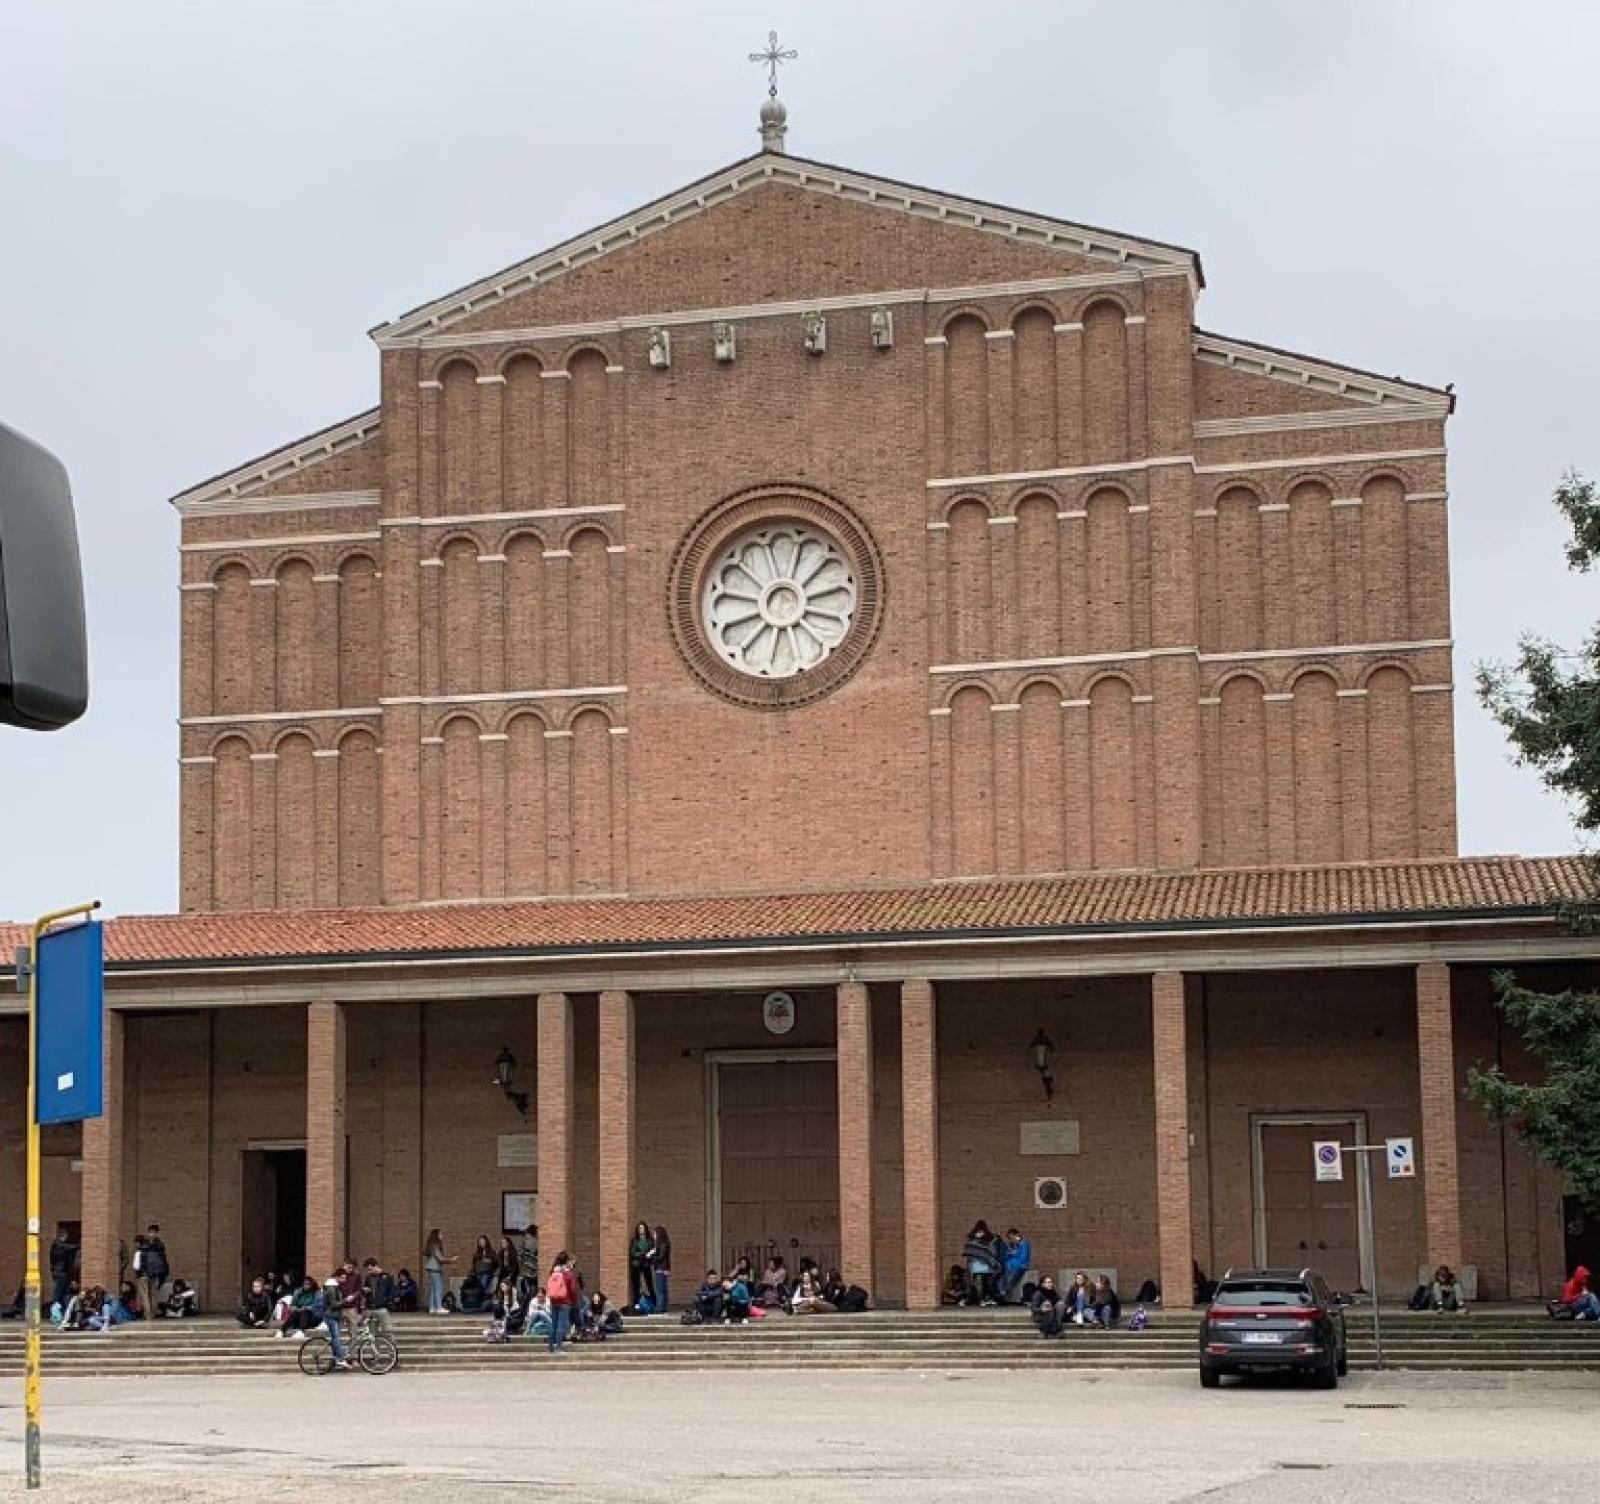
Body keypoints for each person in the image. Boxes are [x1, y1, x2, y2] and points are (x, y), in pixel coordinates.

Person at [545, 1252, 579, 1353]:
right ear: (567, 1261)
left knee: (553, 1324)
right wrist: (573, 1301)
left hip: (554, 1300)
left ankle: (551, 1346)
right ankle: (559, 1347)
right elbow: (573, 1289)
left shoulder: (553, 1271)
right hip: (565, 1301)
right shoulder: (568, 1273)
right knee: (561, 1325)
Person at [962, 1221, 1000, 1306]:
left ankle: (982, 1299)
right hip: (977, 1266)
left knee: (985, 1283)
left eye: (981, 1230)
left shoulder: (989, 1239)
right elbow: (969, 1249)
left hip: (985, 1266)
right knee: (978, 1283)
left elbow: (991, 1252)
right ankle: (979, 1299)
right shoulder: (972, 1239)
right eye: (978, 1230)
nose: (980, 1232)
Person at [316, 1277, 350, 1369]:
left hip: (333, 1316)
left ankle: (336, 1360)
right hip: (331, 1317)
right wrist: (346, 1300)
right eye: (342, 1278)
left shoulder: (332, 1288)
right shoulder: (331, 1289)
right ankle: (340, 1359)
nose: (344, 1280)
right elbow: (334, 1304)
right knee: (336, 1337)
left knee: (335, 1338)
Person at [136, 1224, 168, 1321]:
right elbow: (163, 1260)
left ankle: (147, 1315)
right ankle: (152, 1314)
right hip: (155, 1273)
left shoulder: (143, 1245)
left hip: (144, 1273)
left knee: (144, 1295)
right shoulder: (160, 1245)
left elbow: (139, 1260)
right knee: (154, 1294)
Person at [996, 1227, 1032, 1305]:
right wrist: (1012, 1254)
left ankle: (1003, 1294)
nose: (1011, 1240)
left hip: (1020, 1266)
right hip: (1009, 1266)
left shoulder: (1024, 1243)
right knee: (1000, 1279)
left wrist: (1013, 1254)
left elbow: (1023, 1257)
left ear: (1017, 1235)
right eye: (1009, 1238)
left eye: (1012, 1237)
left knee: (1011, 1278)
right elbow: (1006, 1255)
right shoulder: (1010, 1245)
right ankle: (1002, 1293)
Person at [48, 1225, 78, 1316]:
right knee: (59, 1293)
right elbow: (71, 1247)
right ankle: (55, 1312)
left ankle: (62, 1312)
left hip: (57, 1272)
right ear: (63, 1236)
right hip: (61, 1273)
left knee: (62, 1293)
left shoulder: (55, 1245)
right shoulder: (59, 1245)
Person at [423, 1229, 454, 1314]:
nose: (442, 1236)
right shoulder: (435, 1245)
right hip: (435, 1268)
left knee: (433, 1288)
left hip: (431, 1268)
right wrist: (451, 1260)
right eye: (440, 1234)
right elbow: (440, 1258)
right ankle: (439, 1307)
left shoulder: (430, 1245)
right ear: (436, 1235)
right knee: (438, 1288)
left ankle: (432, 1307)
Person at [363, 1258, 396, 1339]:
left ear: (375, 1266)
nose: (369, 1271)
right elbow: (364, 1292)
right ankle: (376, 1350)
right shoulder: (368, 1278)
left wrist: (388, 1302)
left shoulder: (387, 1277)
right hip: (370, 1307)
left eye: (370, 1269)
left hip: (382, 1308)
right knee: (372, 1333)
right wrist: (365, 1292)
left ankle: (391, 1349)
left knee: (387, 1331)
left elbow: (392, 1292)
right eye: (368, 1270)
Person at [628, 1222, 655, 1312]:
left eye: (642, 1228)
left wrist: (645, 1255)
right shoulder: (635, 1240)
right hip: (636, 1265)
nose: (641, 1230)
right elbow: (632, 1252)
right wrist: (642, 1254)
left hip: (646, 1265)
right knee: (636, 1285)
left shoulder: (650, 1240)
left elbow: (652, 1251)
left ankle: (653, 1303)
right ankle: (636, 1303)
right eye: (639, 1228)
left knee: (649, 1284)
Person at [649, 1225, 672, 1314]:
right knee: (664, 1289)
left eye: (655, 1234)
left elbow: (661, 1257)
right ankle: (664, 1306)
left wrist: (652, 1256)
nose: (654, 1236)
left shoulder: (662, 1245)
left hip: (660, 1268)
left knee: (660, 1289)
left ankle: (660, 1307)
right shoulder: (664, 1244)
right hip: (664, 1268)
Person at [517, 1225, 540, 1304]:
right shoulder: (537, 1242)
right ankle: (532, 1302)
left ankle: (527, 1304)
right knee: (533, 1286)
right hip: (535, 1268)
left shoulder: (524, 1242)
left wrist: (522, 1268)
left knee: (529, 1287)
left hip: (526, 1268)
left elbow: (519, 1257)